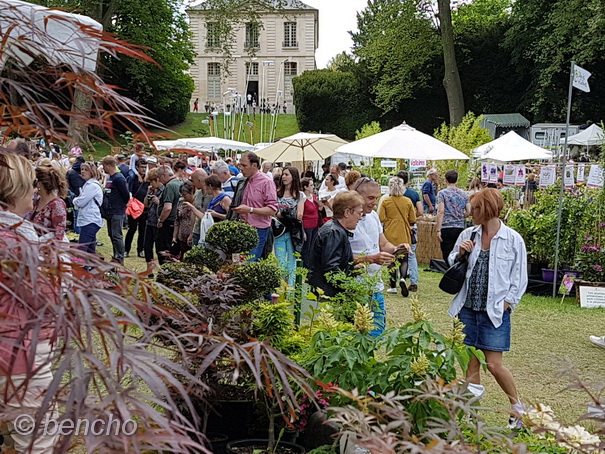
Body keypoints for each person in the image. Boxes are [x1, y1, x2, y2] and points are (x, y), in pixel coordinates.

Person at [447, 189, 528, 428]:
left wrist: (507, 303)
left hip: (494, 312)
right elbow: (452, 261)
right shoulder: (468, 233)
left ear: (487, 209)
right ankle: (471, 416)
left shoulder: (513, 239)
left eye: (474, 209)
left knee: (493, 364)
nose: (469, 213)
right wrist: (461, 253)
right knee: (470, 363)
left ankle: (517, 408)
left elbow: (519, 277)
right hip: (467, 309)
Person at [0, 152, 60, 452]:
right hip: (18, 356)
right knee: (38, 440)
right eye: (31, 186)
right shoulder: (15, 240)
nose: (35, 192)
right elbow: (45, 299)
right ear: (15, 190)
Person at [350, 178, 410, 337]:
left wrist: (397, 249)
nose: (374, 202)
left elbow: (383, 243)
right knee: (357, 334)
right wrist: (370, 259)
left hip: (375, 285)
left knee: (377, 330)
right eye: (370, 198)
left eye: (376, 198)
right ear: (357, 195)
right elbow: (340, 255)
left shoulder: (373, 217)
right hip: (356, 287)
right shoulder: (346, 221)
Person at [308, 191, 365, 296]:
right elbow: (330, 268)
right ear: (347, 212)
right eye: (359, 213)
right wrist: (351, 287)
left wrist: (351, 269)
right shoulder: (334, 232)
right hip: (326, 295)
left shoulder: (336, 230)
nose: (360, 217)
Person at [230, 152, 278, 261]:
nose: (241, 168)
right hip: (241, 227)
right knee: (237, 262)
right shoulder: (243, 181)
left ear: (254, 165)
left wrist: (250, 210)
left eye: (244, 165)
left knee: (250, 262)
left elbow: (272, 210)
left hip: (258, 229)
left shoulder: (267, 182)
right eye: (240, 165)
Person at [378, 177, 416, 296]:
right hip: (404, 231)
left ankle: (393, 286)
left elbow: (381, 218)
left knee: (391, 259)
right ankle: (403, 278)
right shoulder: (408, 201)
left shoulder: (386, 201)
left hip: (390, 231)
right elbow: (412, 219)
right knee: (404, 258)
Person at [275, 166, 305, 287]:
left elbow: (299, 215)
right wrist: (285, 213)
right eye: (283, 174)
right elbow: (275, 212)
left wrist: (284, 214)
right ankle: (282, 287)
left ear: (294, 177)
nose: (284, 177)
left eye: (287, 174)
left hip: (293, 232)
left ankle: (291, 289)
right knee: (280, 261)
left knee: (292, 262)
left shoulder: (299, 195)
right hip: (279, 231)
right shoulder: (277, 193)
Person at [436, 170, 470, 262]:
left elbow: (441, 211)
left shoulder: (442, 193)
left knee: (447, 254)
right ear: (456, 180)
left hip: (446, 227)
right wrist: (460, 217)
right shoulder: (464, 194)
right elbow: (469, 211)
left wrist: (438, 229)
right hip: (459, 227)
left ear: (445, 180)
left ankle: (450, 273)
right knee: (459, 252)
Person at [101, 156, 131, 264]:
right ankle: (115, 255)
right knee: (111, 234)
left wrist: (121, 204)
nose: (103, 168)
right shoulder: (110, 177)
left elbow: (126, 195)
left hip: (117, 210)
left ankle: (119, 257)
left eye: (104, 166)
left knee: (117, 235)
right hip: (110, 211)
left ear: (109, 166)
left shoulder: (119, 178)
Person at [396, 171, 422, 292]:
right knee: (411, 255)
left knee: (394, 253)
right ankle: (414, 282)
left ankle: (394, 279)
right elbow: (420, 211)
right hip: (411, 227)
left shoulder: (392, 195)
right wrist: (409, 219)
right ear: (407, 180)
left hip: (395, 228)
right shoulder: (413, 193)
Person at [31, 165, 69, 241]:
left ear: (39, 184)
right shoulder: (37, 200)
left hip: (48, 248)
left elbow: (59, 234)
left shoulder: (57, 204)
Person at [73, 162, 104, 254]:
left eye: (86, 170)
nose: (83, 172)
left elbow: (80, 202)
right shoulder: (88, 185)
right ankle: (90, 267)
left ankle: (82, 267)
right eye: (82, 169)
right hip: (89, 219)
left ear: (92, 172)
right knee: (90, 250)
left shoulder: (92, 186)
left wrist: (74, 200)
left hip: (90, 220)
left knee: (82, 249)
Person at [156, 164, 181, 264]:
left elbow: (167, 208)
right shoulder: (179, 182)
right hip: (175, 222)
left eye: (159, 177)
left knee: (163, 250)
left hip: (168, 222)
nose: (159, 180)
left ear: (163, 176)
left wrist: (160, 221)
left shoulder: (170, 186)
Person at [124, 158, 149, 258]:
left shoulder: (148, 179)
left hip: (144, 207)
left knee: (142, 230)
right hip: (134, 207)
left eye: (145, 167)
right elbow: (129, 190)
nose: (143, 169)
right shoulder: (132, 178)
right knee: (132, 229)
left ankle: (140, 250)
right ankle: (126, 249)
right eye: (141, 167)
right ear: (137, 167)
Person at [143, 169, 163, 276]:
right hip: (150, 221)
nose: (151, 184)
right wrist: (148, 194)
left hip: (158, 222)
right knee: (147, 246)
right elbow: (145, 204)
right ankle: (149, 270)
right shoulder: (153, 190)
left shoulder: (163, 190)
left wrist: (158, 202)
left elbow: (165, 206)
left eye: (152, 182)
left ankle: (162, 271)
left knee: (159, 248)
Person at [300, 177, 322, 268]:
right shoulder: (303, 199)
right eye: (311, 185)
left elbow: (318, 209)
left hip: (315, 224)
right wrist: (302, 231)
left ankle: (311, 264)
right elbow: (301, 215)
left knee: (313, 246)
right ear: (305, 187)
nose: (313, 187)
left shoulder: (314, 197)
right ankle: (306, 265)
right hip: (307, 225)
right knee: (307, 247)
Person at [189, 169, 212, 246]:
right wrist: (192, 232)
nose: (193, 183)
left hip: (208, 231)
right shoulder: (197, 193)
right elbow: (193, 214)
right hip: (197, 231)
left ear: (199, 180)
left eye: (193, 181)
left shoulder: (213, 194)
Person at [172, 180, 195, 258]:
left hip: (193, 235)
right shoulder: (181, 202)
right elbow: (177, 220)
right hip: (182, 236)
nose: (183, 197)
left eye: (185, 195)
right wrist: (175, 236)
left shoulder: (196, 203)